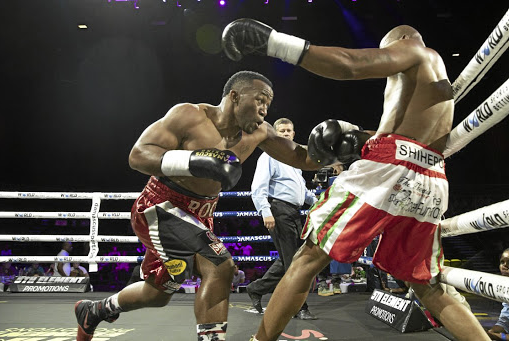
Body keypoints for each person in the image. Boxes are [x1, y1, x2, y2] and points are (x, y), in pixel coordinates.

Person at [222, 20, 490, 341]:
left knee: (308, 257)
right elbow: (407, 136)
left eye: (386, 48)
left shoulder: (415, 50)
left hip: (391, 167)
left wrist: (274, 43)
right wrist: (358, 139)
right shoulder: (430, 85)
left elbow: (351, 66)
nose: (385, 55)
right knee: (425, 285)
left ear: (402, 39)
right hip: (431, 178)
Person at [74, 70, 332, 341]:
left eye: (268, 103)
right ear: (234, 96)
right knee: (220, 266)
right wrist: (194, 161)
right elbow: (138, 154)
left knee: (157, 293)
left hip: (199, 216)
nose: (264, 109)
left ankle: (95, 311)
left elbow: (303, 157)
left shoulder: (260, 133)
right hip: (161, 207)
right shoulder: (190, 116)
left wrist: (340, 151)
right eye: (259, 100)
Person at [247, 117, 317, 319]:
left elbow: (302, 193)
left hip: (294, 213)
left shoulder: (294, 161)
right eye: (282, 131)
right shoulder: (269, 157)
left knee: (289, 258)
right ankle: (299, 307)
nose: (286, 134)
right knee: (294, 262)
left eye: (289, 131)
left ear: (294, 134)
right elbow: (257, 188)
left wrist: (321, 201)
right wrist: (265, 212)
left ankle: (256, 289)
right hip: (279, 211)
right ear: (276, 135)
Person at [485, 248, 509, 340]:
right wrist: (490, 332)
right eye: (502, 262)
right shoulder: (506, 288)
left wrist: (496, 336)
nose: (505, 266)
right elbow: (504, 322)